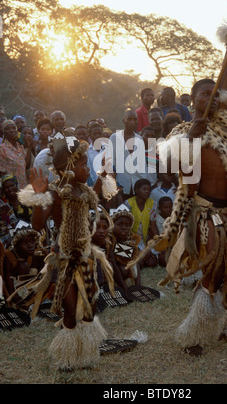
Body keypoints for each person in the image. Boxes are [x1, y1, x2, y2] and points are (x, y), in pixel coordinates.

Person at [129, 0, 227, 356]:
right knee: (210, 277)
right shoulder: (182, 133)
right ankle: (193, 337)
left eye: (214, 94)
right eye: (203, 94)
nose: (210, 98)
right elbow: (175, 171)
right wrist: (193, 134)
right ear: (193, 101)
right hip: (206, 215)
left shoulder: (226, 129)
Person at [17, 135, 117, 370]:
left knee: (89, 307)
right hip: (64, 261)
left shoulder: (84, 191)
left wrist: (102, 177)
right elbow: (38, 226)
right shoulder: (54, 194)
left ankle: (84, 355)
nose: (86, 168)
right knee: (71, 310)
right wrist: (40, 195)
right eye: (82, 165)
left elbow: (95, 192)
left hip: (86, 257)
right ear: (69, 169)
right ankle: (68, 359)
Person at [3, 222, 48, 306]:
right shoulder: (9, 257)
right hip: (17, 297)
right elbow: (8, 283)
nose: (30, 245)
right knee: (22, 265)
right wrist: (17, 301)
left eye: (32, 241)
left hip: (33, 294)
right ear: (17, 245)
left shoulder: (36, 254)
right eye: (25, 243)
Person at [108, 109, 146, 200]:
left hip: (137, 188)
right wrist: (115, 185)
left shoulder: (140, 139)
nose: (132, 122)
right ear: (124, 121)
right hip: (120, 188)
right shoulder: (114, 138)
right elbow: (110, 164)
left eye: (135, 119)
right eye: (129, 119)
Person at [125, 178, 158, 267]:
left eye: (148, 190)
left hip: (146, 239)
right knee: (141, 263)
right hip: (132, 239)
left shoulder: (152, 203)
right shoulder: (128, 203)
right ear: (136, 190)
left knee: (152, 263)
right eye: (144, 189)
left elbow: (153, 226)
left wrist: (155, 241)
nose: (147, 192)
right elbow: (125, 229)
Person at [111, 208, 142, 290]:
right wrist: (126, 290)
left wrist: (138, 286)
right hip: (110, 271)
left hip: (122, 269)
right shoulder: (109, 240)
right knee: (122, 270)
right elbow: (113, 264)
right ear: (112, 225)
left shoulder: (131, 239)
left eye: (127, 225)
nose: (124, 227)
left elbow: (135, 261)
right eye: (120, 224)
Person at [0, 120, 30, 189]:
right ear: (4, 132)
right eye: (7, 129)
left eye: (13, 128)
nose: (11, 130)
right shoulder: (2, 149)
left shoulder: (20, 147)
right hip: (12, 188)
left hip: (24, 187)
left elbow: (26, 166)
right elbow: (2, 173)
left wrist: (29, 146)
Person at [155, 196, 173, 267]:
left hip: (172, 246)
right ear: (159, 208)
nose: (168, 209)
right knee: (164, 259)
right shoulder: (156, 220)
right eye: (165, 207)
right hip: (161, 247)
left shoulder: (174, 218)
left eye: (170, 207)